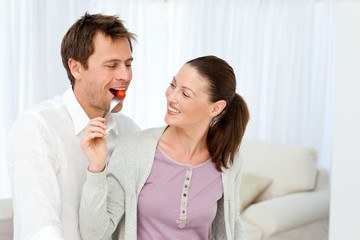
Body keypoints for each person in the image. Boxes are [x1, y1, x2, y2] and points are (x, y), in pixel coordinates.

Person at [79, 55, 250, 240]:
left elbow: (232, 226)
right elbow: (94, 234)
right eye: (173, 85)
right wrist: (96, 168)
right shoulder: (134, 150)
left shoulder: (228, 160)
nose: (171, 96)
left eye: (185, 94)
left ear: (215, 108)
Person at [6, 13, 140, 240]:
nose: (125, 75)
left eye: (128, 64)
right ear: (76, 68)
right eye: (112, 65)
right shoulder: (37, 127)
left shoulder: (131, 132)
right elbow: (39, 227)